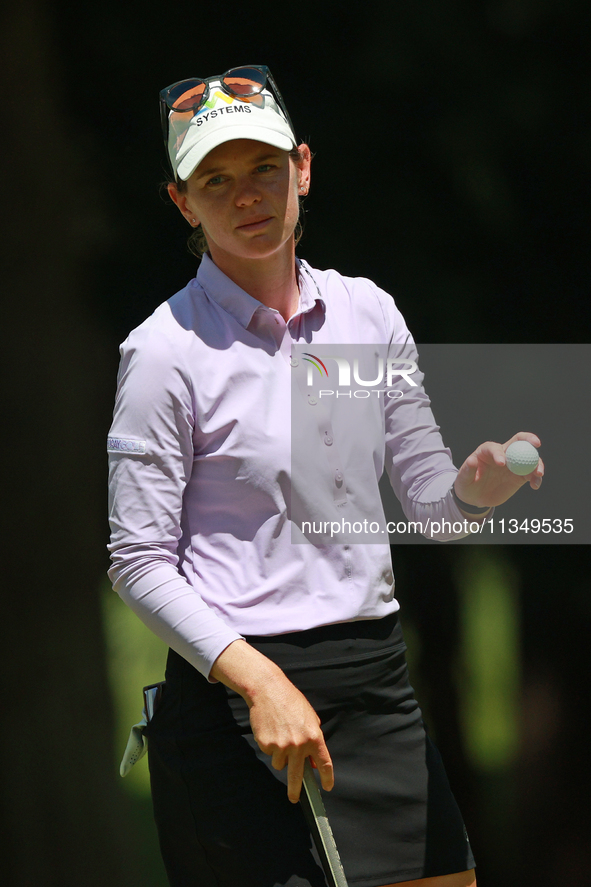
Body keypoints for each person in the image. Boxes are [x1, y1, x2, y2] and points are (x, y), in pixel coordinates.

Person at [107, 65, 543, 887]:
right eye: (216, 179)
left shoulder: (367, 314)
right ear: (181, 201)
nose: (247, 196)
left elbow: (433, 507)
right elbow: (137, 562)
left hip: (375, 685)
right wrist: (260, 681)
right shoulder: (163, 351)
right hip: (238, 703)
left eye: (264, 168)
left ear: (301, 167)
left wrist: (478, 488)